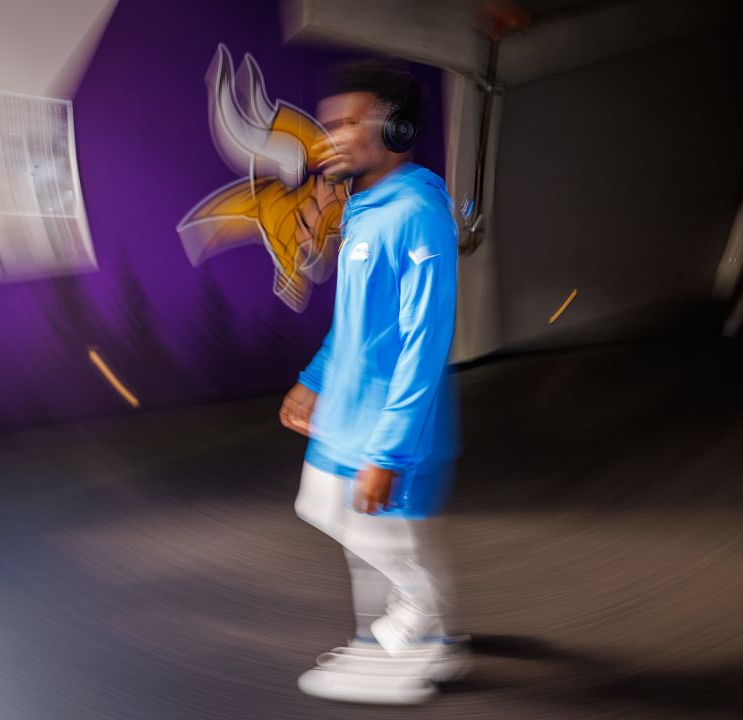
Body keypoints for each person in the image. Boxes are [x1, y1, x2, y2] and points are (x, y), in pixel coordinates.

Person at [279, 59, 467, 705]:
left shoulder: (417, 210)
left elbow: (424, 342)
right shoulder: (365, 207)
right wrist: (313, 379)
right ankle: (400, 634)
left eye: (348, 122)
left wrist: (387, 452)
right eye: (330, 123)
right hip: (347, 413)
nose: (330, 136)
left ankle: (420, 634)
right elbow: (355, 321)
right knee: (332, 515)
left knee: (377, 533)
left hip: (392, 421)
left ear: (396, 126)